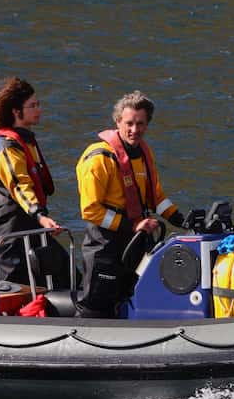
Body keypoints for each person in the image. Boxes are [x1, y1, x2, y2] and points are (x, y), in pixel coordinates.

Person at [74, 90, 185, 318]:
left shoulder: (144, 152)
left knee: (133, 300)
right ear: (118, 122)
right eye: (129, 123)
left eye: (141, 124)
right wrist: (131, 226)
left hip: (136, 243)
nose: (135, 130)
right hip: (105, 245)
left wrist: (180, 219)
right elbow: (90, 210)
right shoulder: (99, 160)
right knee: (95, 308)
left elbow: (155, 196)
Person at [0, 77, 71, 288]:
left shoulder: (26, 143)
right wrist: (41, 216)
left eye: (38, 104)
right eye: (32, 106)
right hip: (13, 233)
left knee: (66, 274)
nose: (38, 110)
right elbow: (20, 186)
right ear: (16, 112)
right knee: (9, 286)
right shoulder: (7, 148)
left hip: (31, 229)